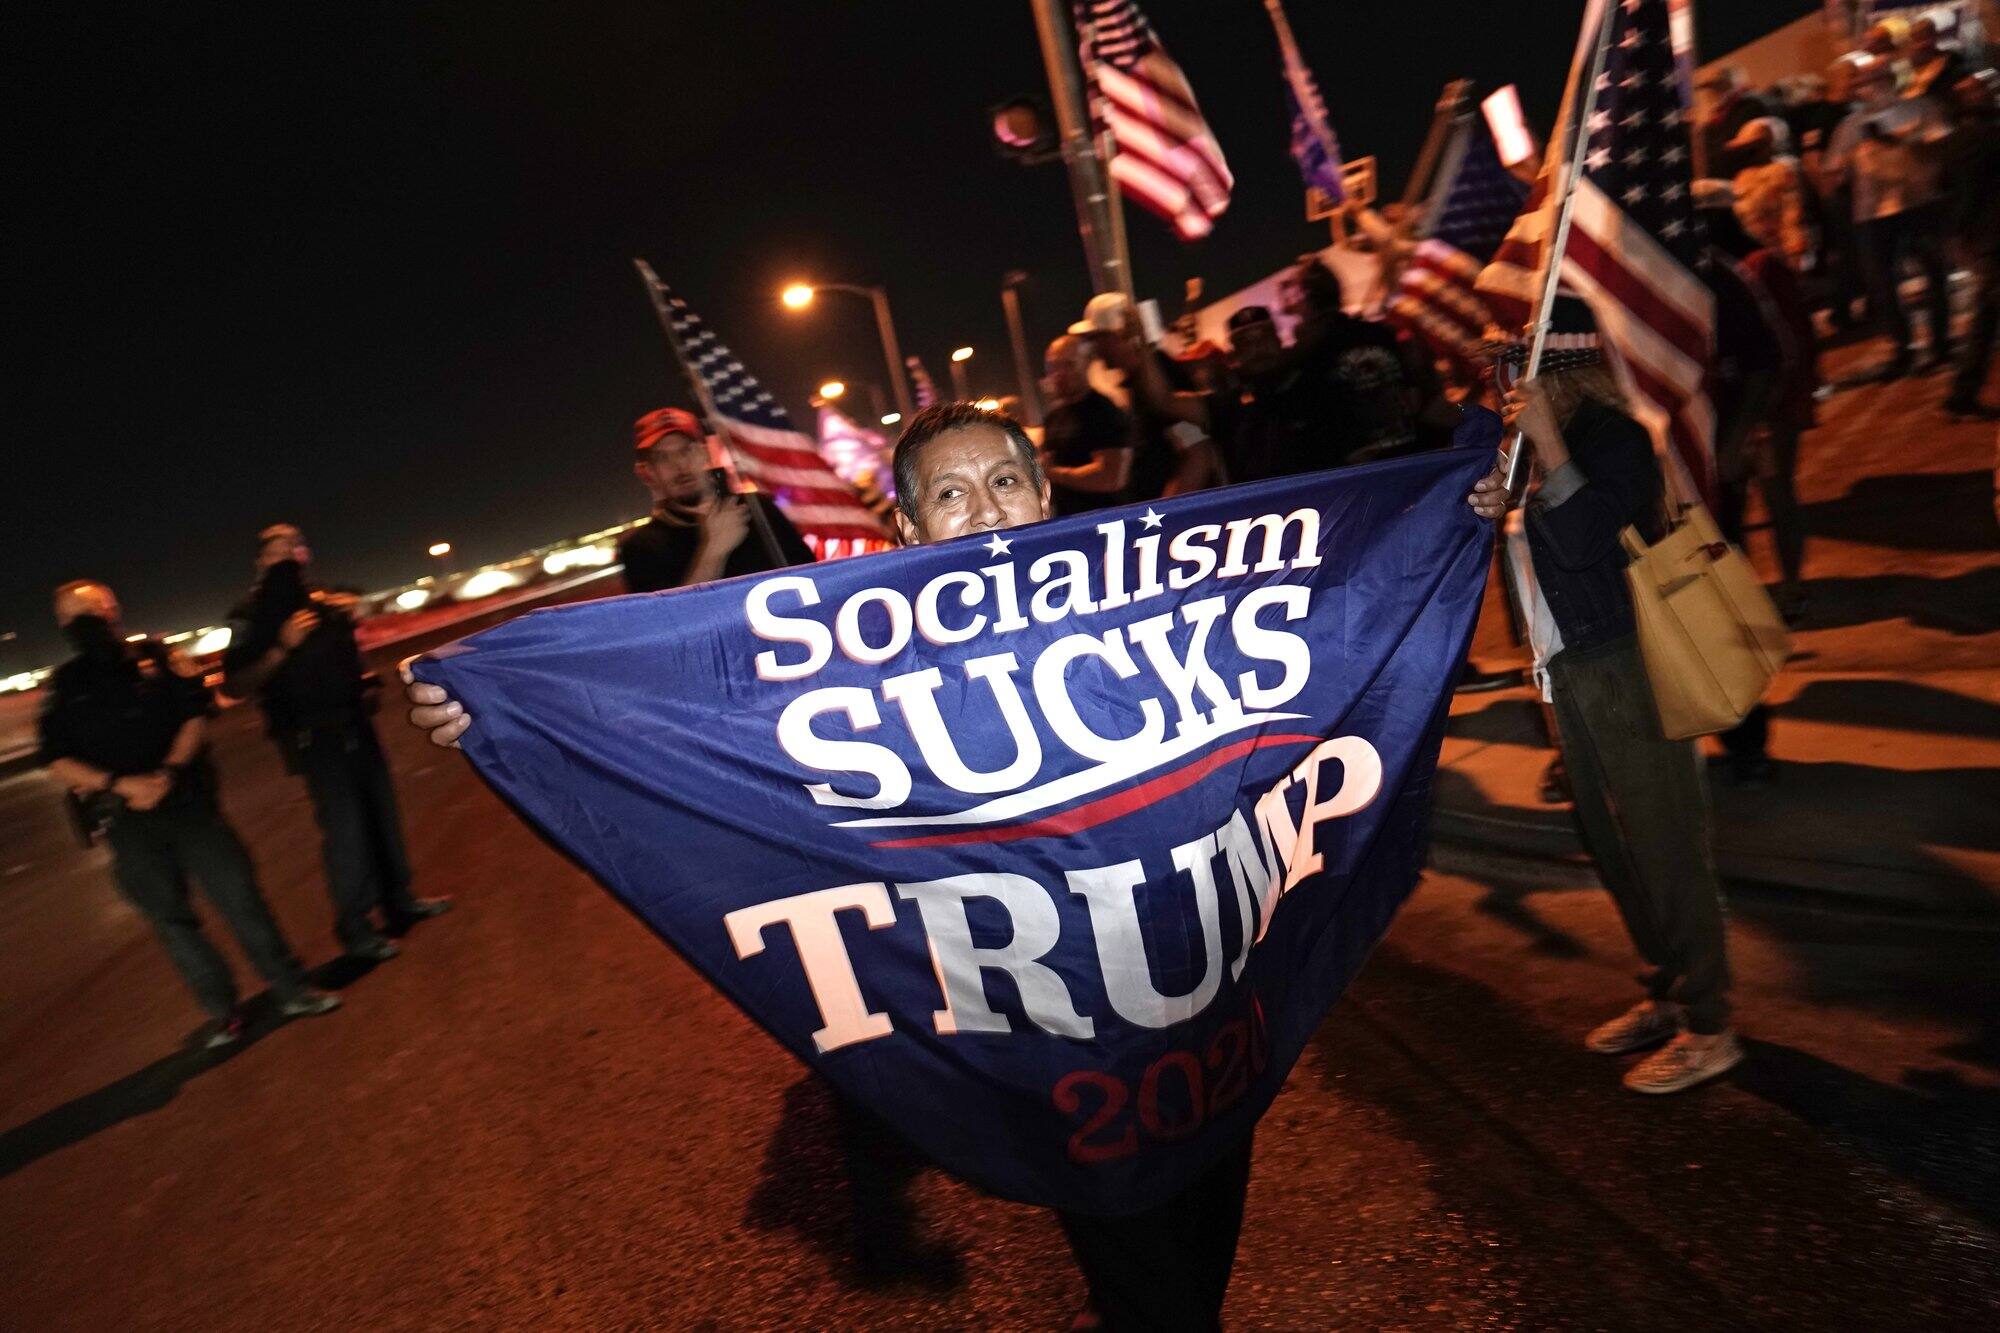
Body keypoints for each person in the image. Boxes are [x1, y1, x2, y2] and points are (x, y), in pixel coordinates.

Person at [1465, 301, 1743, 1096]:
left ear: (1564, 371)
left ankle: (1710, 1023)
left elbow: (1588, 538)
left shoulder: (1613, 439)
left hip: (1624, 659)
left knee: (1664, 840)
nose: (1506, 384)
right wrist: (1496, 502)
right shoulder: (1529, 452)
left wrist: (1548, 446)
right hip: (1565, 669)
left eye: (1521, 369)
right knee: (1609, 840)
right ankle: (1668, 991)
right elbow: (1532, 552)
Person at [41, 580, 339, 1046]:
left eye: (90, 611)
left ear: (112, 609)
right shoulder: (64, 685)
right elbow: (54, 758)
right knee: (171, 920)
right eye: (70, 617)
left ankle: (291, 988)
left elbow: (196, 715)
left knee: (240, 899)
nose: (81, 624)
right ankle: (223, 1013)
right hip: (127, 820)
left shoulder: (157, 660)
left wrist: (166, 775)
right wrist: (121, 785)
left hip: (187, 804)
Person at [224, 524, 449, 962]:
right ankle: (355, 928)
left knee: (382, 814)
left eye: (296, 544)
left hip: (355, 723)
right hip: (312, 737)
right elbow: (235, 684)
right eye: (278, 547)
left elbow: (348, 654)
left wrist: (363, 678)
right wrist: (281, 648)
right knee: (345, 832)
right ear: (261, 560)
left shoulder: (325, 603)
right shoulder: (249, 615)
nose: (290, 551)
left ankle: (399, 901)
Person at [1822, 56, 1955, 380]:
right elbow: (1833, 170)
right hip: (1871, 212)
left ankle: (1940, 345)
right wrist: (1838, 176)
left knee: (1934, 273)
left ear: (1895, 78)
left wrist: (1902, 142)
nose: (1871, 86)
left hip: (1918, 204)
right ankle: (1902, 348)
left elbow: (1945, 148)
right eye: (1865, 81)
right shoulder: (1851, 126)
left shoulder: (1920, 108)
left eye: (1879, 78)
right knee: (1882, 283)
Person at [618, 407, 815, 593]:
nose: (679, 465)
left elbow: (814, 577)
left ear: (705, 453)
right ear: (648, 471)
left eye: (686, 450)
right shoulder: (640, 548)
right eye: (662, 457)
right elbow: (669, 622)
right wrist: (713, 551)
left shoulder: (758, 509)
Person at [1942, 71, 2000, 418]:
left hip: (1980, 235)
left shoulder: (1953, 144)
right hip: (1993, 235)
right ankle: (1960, 394)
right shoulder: (1991, 138)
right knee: (1986, 314)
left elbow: (1946, 188)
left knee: (1987, 314)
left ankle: (1961, 394)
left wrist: (1958, 232)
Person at [1040, 334, 1137, 516]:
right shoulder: (1053, 416)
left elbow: (1111, 476)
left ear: (1086, 364)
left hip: (1107, 521)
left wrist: (1055, 473)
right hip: (1069, 523)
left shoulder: (1104, 411)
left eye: (1068, 364)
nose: (1059, 374)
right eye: (1053, 367)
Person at [1728, 117, 1815, 271]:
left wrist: (1794, 247)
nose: (1748, 153)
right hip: (1755, 248)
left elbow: (1793, 214)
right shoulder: (1743, 177)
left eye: (1754, 147)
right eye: (1745, 149)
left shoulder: (1783, 171)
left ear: (1766, 146)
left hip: (1782, 251)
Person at [1694, 66, 1772, 177]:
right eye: (1713, 88)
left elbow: (1732, 144)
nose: (1714, 93)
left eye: (1721, 86)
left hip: (1745, 173)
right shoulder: (1718, 115)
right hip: (1724, 172)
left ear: (1736, 86)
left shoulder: (1750, 106)